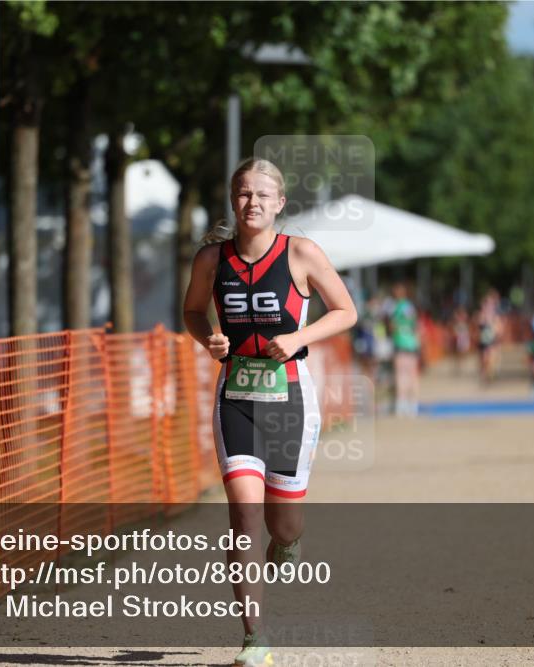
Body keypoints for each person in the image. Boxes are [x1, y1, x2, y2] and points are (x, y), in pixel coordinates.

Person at [182, 157, 357, 667]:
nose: (251, 202)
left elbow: (346, 310)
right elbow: (192, 312)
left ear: (280, 203)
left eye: (261, 195)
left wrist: (298, 337)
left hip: (291, 400)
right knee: (243, 516)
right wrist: (208, 339)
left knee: (283, 525)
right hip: (235, 396)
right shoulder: (211, 260)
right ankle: (254, 639)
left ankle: (289, 541)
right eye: (242, 193)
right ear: (232, 200)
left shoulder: (301, 253)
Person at [387, 282, 420, 417]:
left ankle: (402, 404)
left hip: (400, 343)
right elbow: (415, 325)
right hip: (412, 344)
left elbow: (392, 326)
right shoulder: (410, 307)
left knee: (401, 375)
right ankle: (413, 405)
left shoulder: (395, 308)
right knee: (412, 375)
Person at [476, 290, 502, 385]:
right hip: (483, 341)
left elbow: (499, 330)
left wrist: (495, 329)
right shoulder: (481, 315)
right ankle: (484, 375)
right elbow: (478, 328)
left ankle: (489, 375)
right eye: (487, 304)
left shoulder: (495, 317)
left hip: (492, 341)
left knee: (490, 358)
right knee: (483, 360)